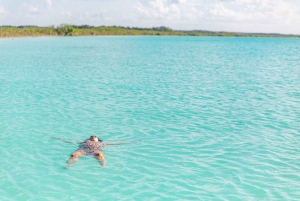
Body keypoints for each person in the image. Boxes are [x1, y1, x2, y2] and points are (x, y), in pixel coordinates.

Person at [52, 136, 135, 168]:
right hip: (83, 150)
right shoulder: (83, 142)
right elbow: (69, 141)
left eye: (95, 136)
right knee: (74, 154)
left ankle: (103, 165)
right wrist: (59, 139)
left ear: (97, 139)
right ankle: (69, 164)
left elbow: (116, 143)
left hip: (96, 150)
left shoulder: (102, 143)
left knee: (100, 154)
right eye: (92, 136)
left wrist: (130, 141)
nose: (94, 136)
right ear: (89, 138)